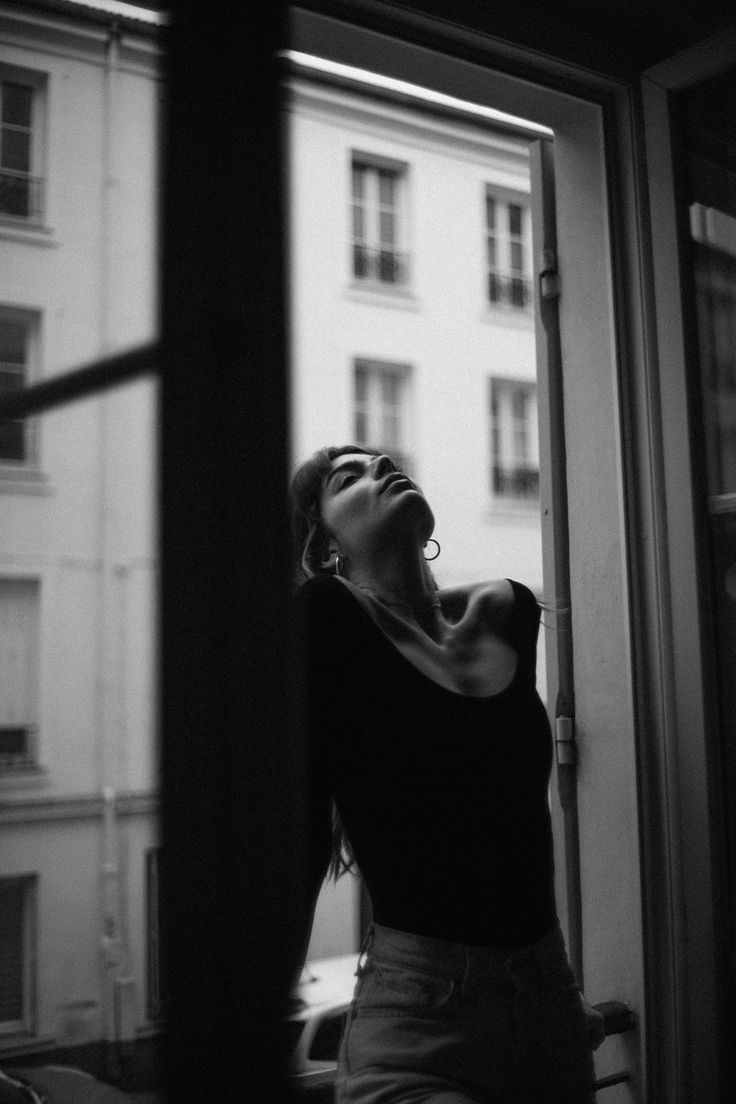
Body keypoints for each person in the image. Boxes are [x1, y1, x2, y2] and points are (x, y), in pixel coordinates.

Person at [291, 444, 605, 1104]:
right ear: (326, 549)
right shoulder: (327, 616)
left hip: (551, 998)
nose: (381, 470)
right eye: (351, 478)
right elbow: (299, 836)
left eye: (383, 462)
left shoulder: (508, 611)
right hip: (422, 1020)